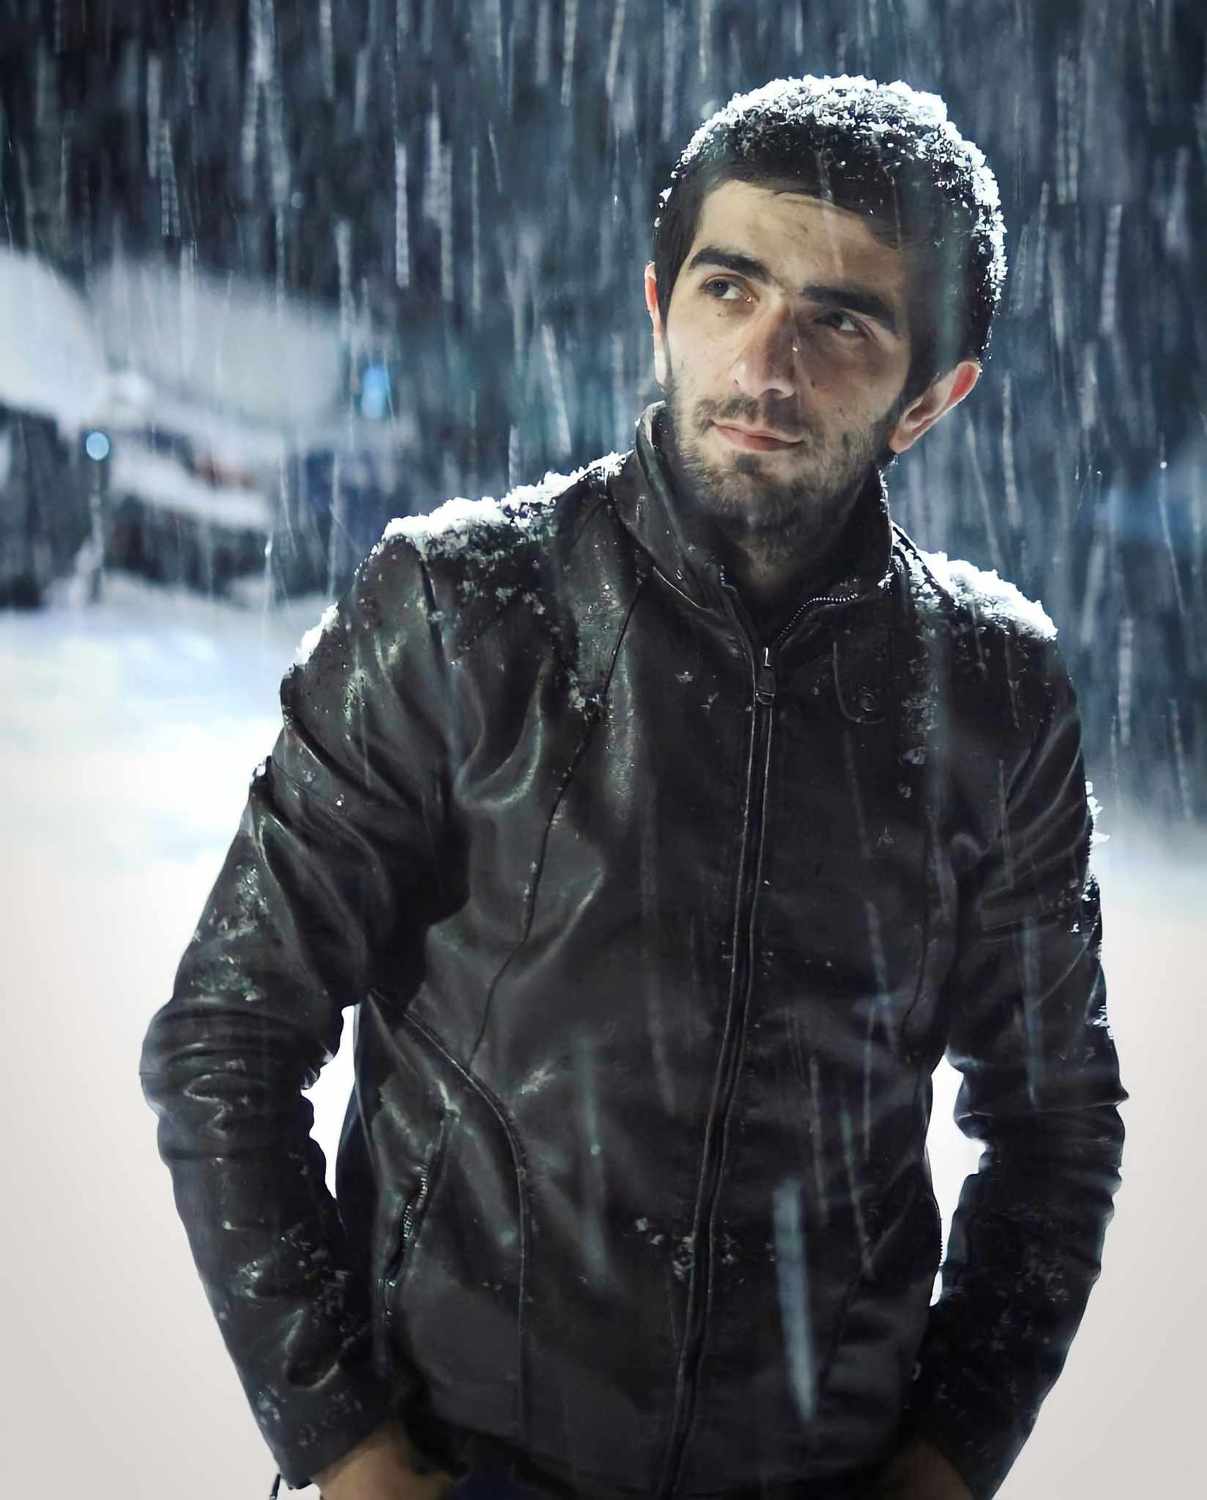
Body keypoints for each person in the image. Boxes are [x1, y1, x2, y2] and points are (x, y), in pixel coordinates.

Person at [139, 75, 1126, 1500]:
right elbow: (226, 1040)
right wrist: (345, 1449)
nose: (766, 362)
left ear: (932, 396)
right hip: (463, 1464)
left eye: (842, 322)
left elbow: (1056, 1125)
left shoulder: (992, 690)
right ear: (663, 303)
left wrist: (948, 1459)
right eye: (732, 289)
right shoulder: (461, 610)